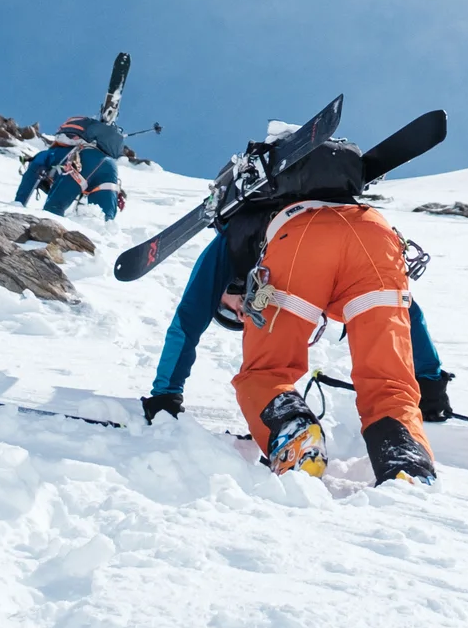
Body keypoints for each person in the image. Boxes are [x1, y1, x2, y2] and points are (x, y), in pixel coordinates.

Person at [141, 129, 445, 484]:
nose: (241, 315)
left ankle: (295, 433)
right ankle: (406, 459)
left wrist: (165, 393)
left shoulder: (236, 233)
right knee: (390, 385)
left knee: (265, 373)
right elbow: (404, 311)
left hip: (300, 234)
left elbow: (188, 320)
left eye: (229, 310)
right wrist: (430, 378)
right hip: (375, 233)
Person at [16, 110, 130, 223]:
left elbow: (28, 181)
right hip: (110, 166)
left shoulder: (43, 156)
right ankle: (106, 236)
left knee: (53, 209)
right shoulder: (69, 150)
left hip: (83, 160)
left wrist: (18, 204)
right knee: (105, 220)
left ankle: (46, 238)